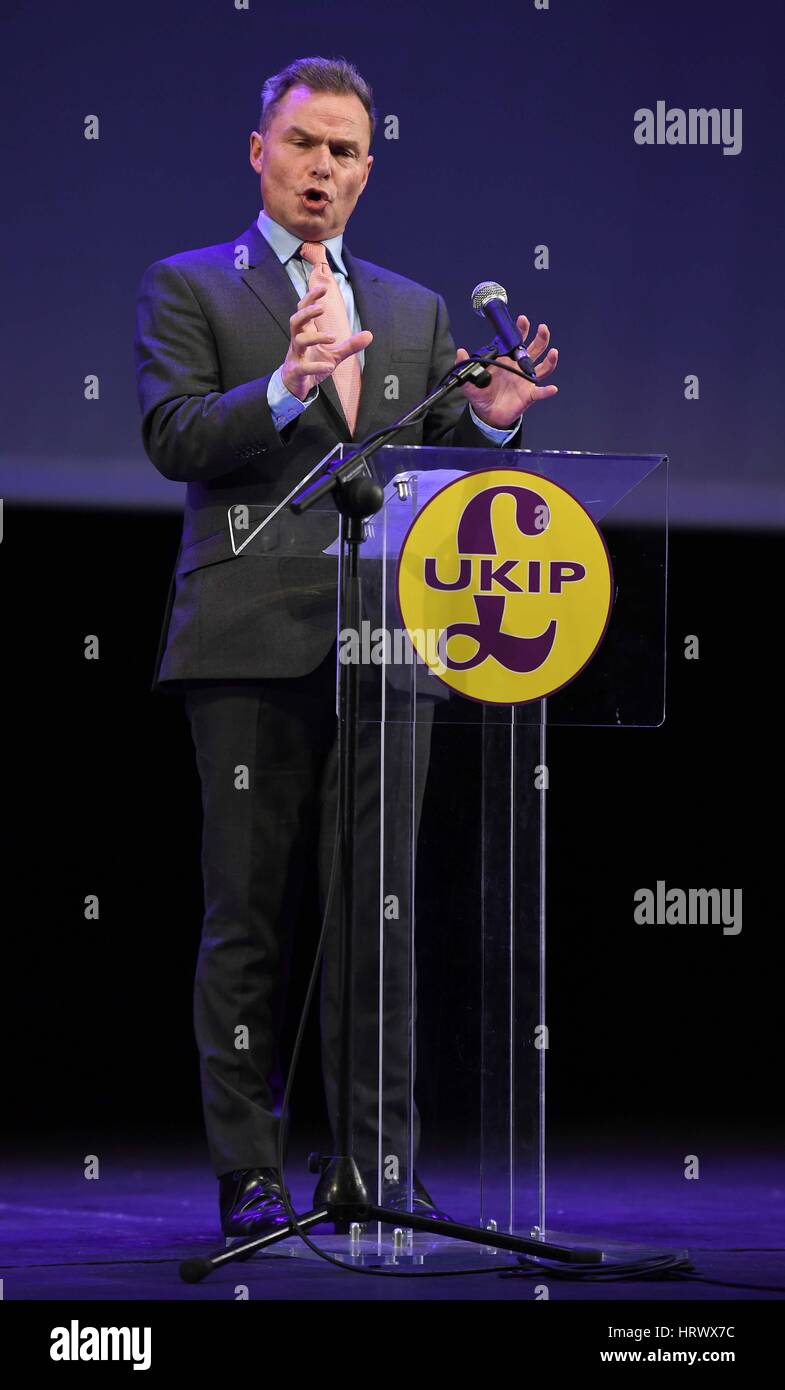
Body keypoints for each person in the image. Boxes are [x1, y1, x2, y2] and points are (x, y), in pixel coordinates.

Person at [134, 54, 558, 1239]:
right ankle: (250, 1172)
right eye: (303, 143)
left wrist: (487, 422)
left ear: (369, 170)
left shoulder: (414, 311)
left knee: (379, 911)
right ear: (258, 151)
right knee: (248, 914)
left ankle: (372, 1162)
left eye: (344, 152)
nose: (321, 168)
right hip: (245, 639)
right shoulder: (188, 287)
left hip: (387, 643)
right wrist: (282, 386)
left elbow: (434, 477)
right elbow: (173, 436)